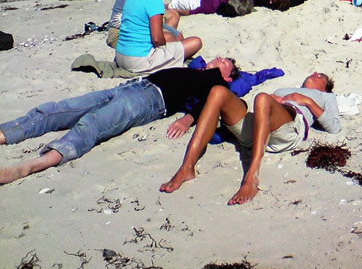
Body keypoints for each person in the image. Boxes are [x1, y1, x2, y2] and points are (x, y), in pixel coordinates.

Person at [0, 58, 238, 185]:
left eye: (225, 61)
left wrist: (187, 120)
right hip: (131, 87)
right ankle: (5, 134)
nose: (219, 58)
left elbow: (211, 104)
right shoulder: (196, 69)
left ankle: (36, 164)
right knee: (60, 109)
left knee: (93, 123)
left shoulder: (219, 82)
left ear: (227, 73)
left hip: (149, 101)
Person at [160, 71, 341, 205]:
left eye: (321, 78)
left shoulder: (325, 97)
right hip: (258, 127)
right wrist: (281, 97)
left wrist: (305, 100)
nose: (315, 74)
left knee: (262, 98)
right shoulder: (284, 89)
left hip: (288, 130)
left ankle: (251, 178)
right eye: (315, 73)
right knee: (218, 91)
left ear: (325, 87)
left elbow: (334, 127)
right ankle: (187, 167)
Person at [114, 0, 202, 74]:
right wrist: (169, 46)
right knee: (196, 42)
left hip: (120, 55)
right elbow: (157, 39)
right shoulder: (154, 1)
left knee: (174, 37)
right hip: (138, 61)